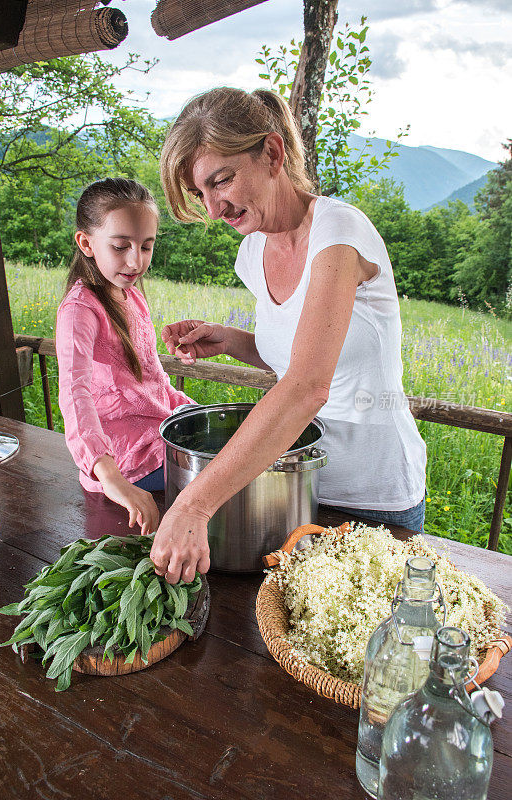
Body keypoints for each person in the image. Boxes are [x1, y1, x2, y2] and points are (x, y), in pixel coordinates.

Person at [150, 87, 427, 583]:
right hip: (296, 492)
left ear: (273, 153)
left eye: (222, 180)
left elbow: (307, 385)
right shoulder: (252, 252)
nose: (215, 208)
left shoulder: (339, 233)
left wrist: (192, 506)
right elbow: (300, 354)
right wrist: (233, 340)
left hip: (372, 499)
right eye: (201, 193)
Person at [56, 177, 193, 535]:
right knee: (229, 467)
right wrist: (112, 479)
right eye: (120, 246)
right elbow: (75, 395)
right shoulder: (79, 310)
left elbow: (155, 383)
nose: (135, 261)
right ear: (86, 243)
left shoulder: (132, 297)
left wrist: (188, 409)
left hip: (158, 435)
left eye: (146, 246)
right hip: (127, 465)